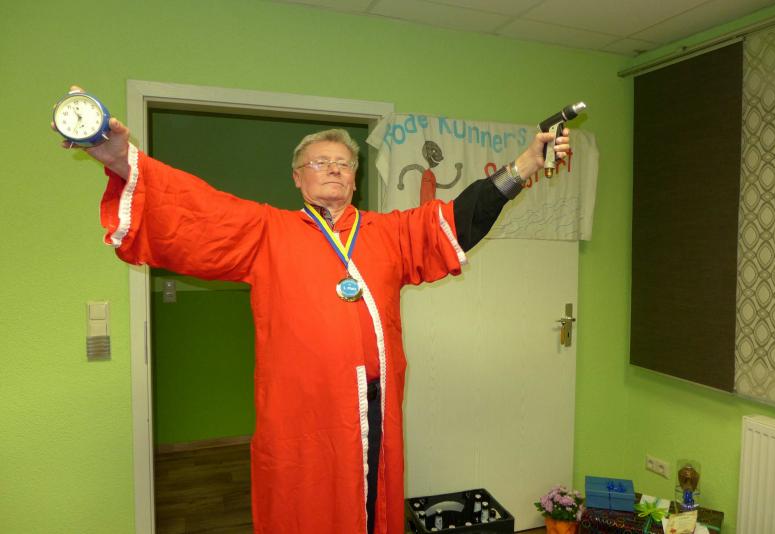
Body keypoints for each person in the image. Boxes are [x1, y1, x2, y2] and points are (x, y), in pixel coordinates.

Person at [55, 86, 570, 534]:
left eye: (343, 164)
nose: (334, 170)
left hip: (375, 406)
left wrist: (524, 166)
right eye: (320, 163)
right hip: (303, 415)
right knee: (305, 504)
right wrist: (119, 158)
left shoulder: (389, 233)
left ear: (354, 180)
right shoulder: (265, 231)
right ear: (297, 179)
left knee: (371, 504)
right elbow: (193, 210)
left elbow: (458, 219)